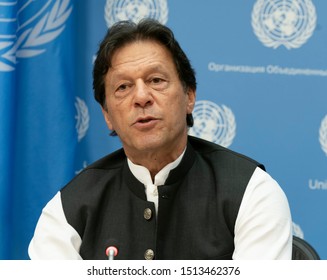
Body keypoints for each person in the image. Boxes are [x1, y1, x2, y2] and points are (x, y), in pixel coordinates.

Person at [28, 18, 292, 260]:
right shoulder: (69, 208)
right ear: (107, 114)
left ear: (189, 96)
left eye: (156, 80)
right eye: (123, 87)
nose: (141, 97)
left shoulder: (251, 192)